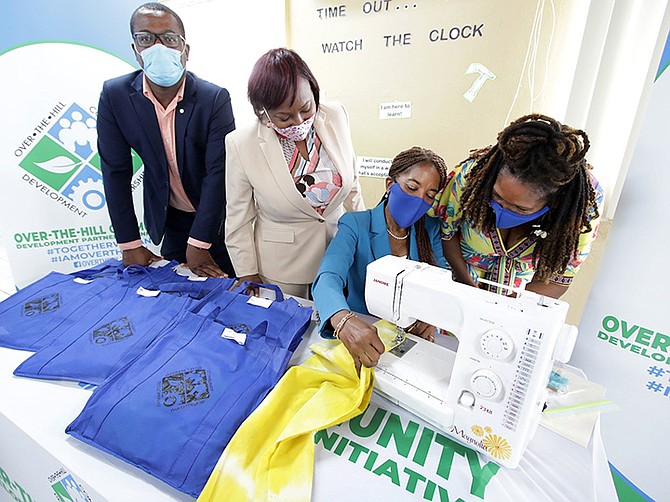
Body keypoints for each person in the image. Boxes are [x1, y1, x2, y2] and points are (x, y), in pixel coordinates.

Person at [99, 2, 235, 277]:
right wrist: (130, 244)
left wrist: (199, 244)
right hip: (170, 219)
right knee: (177, 297)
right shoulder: (115, 96)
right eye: (147, 38)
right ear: (136, 50)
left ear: (185, 50)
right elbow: (116, 171)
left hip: (218, 221)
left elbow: (218, 174)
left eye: (170, 38)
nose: (159, 47)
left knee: (228, 296)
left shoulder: (214, 99)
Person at [224, 48, 365, 298]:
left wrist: (365, 239)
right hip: (282, 268)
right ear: (263, 112)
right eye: (284, 117)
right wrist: (246, 272)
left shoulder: (336, 115)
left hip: (339, 256)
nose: (299, 121)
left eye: (306, 108)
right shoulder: (241, 144)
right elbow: (239, 217)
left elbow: (352, 188)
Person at [432, 113, 604, 299]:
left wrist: (508, 308)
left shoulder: (581, 208)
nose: (501, 209)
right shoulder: (473, 176)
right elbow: (447, 234)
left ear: (555, 202)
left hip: (521, 299)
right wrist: (470, 291)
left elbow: (559, 279)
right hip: (458, 282)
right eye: (496, 196)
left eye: (520, 209)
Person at [312, 147, 448, 371]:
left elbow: (440, 284)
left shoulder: (429, 230)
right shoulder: (356, 224)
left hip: (409, 339)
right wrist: (343, 320)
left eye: (429, 196)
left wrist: (430, 318)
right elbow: (328, 276)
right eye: (411, 187)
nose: (419, 199)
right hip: (362, 329)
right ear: (389, 184)